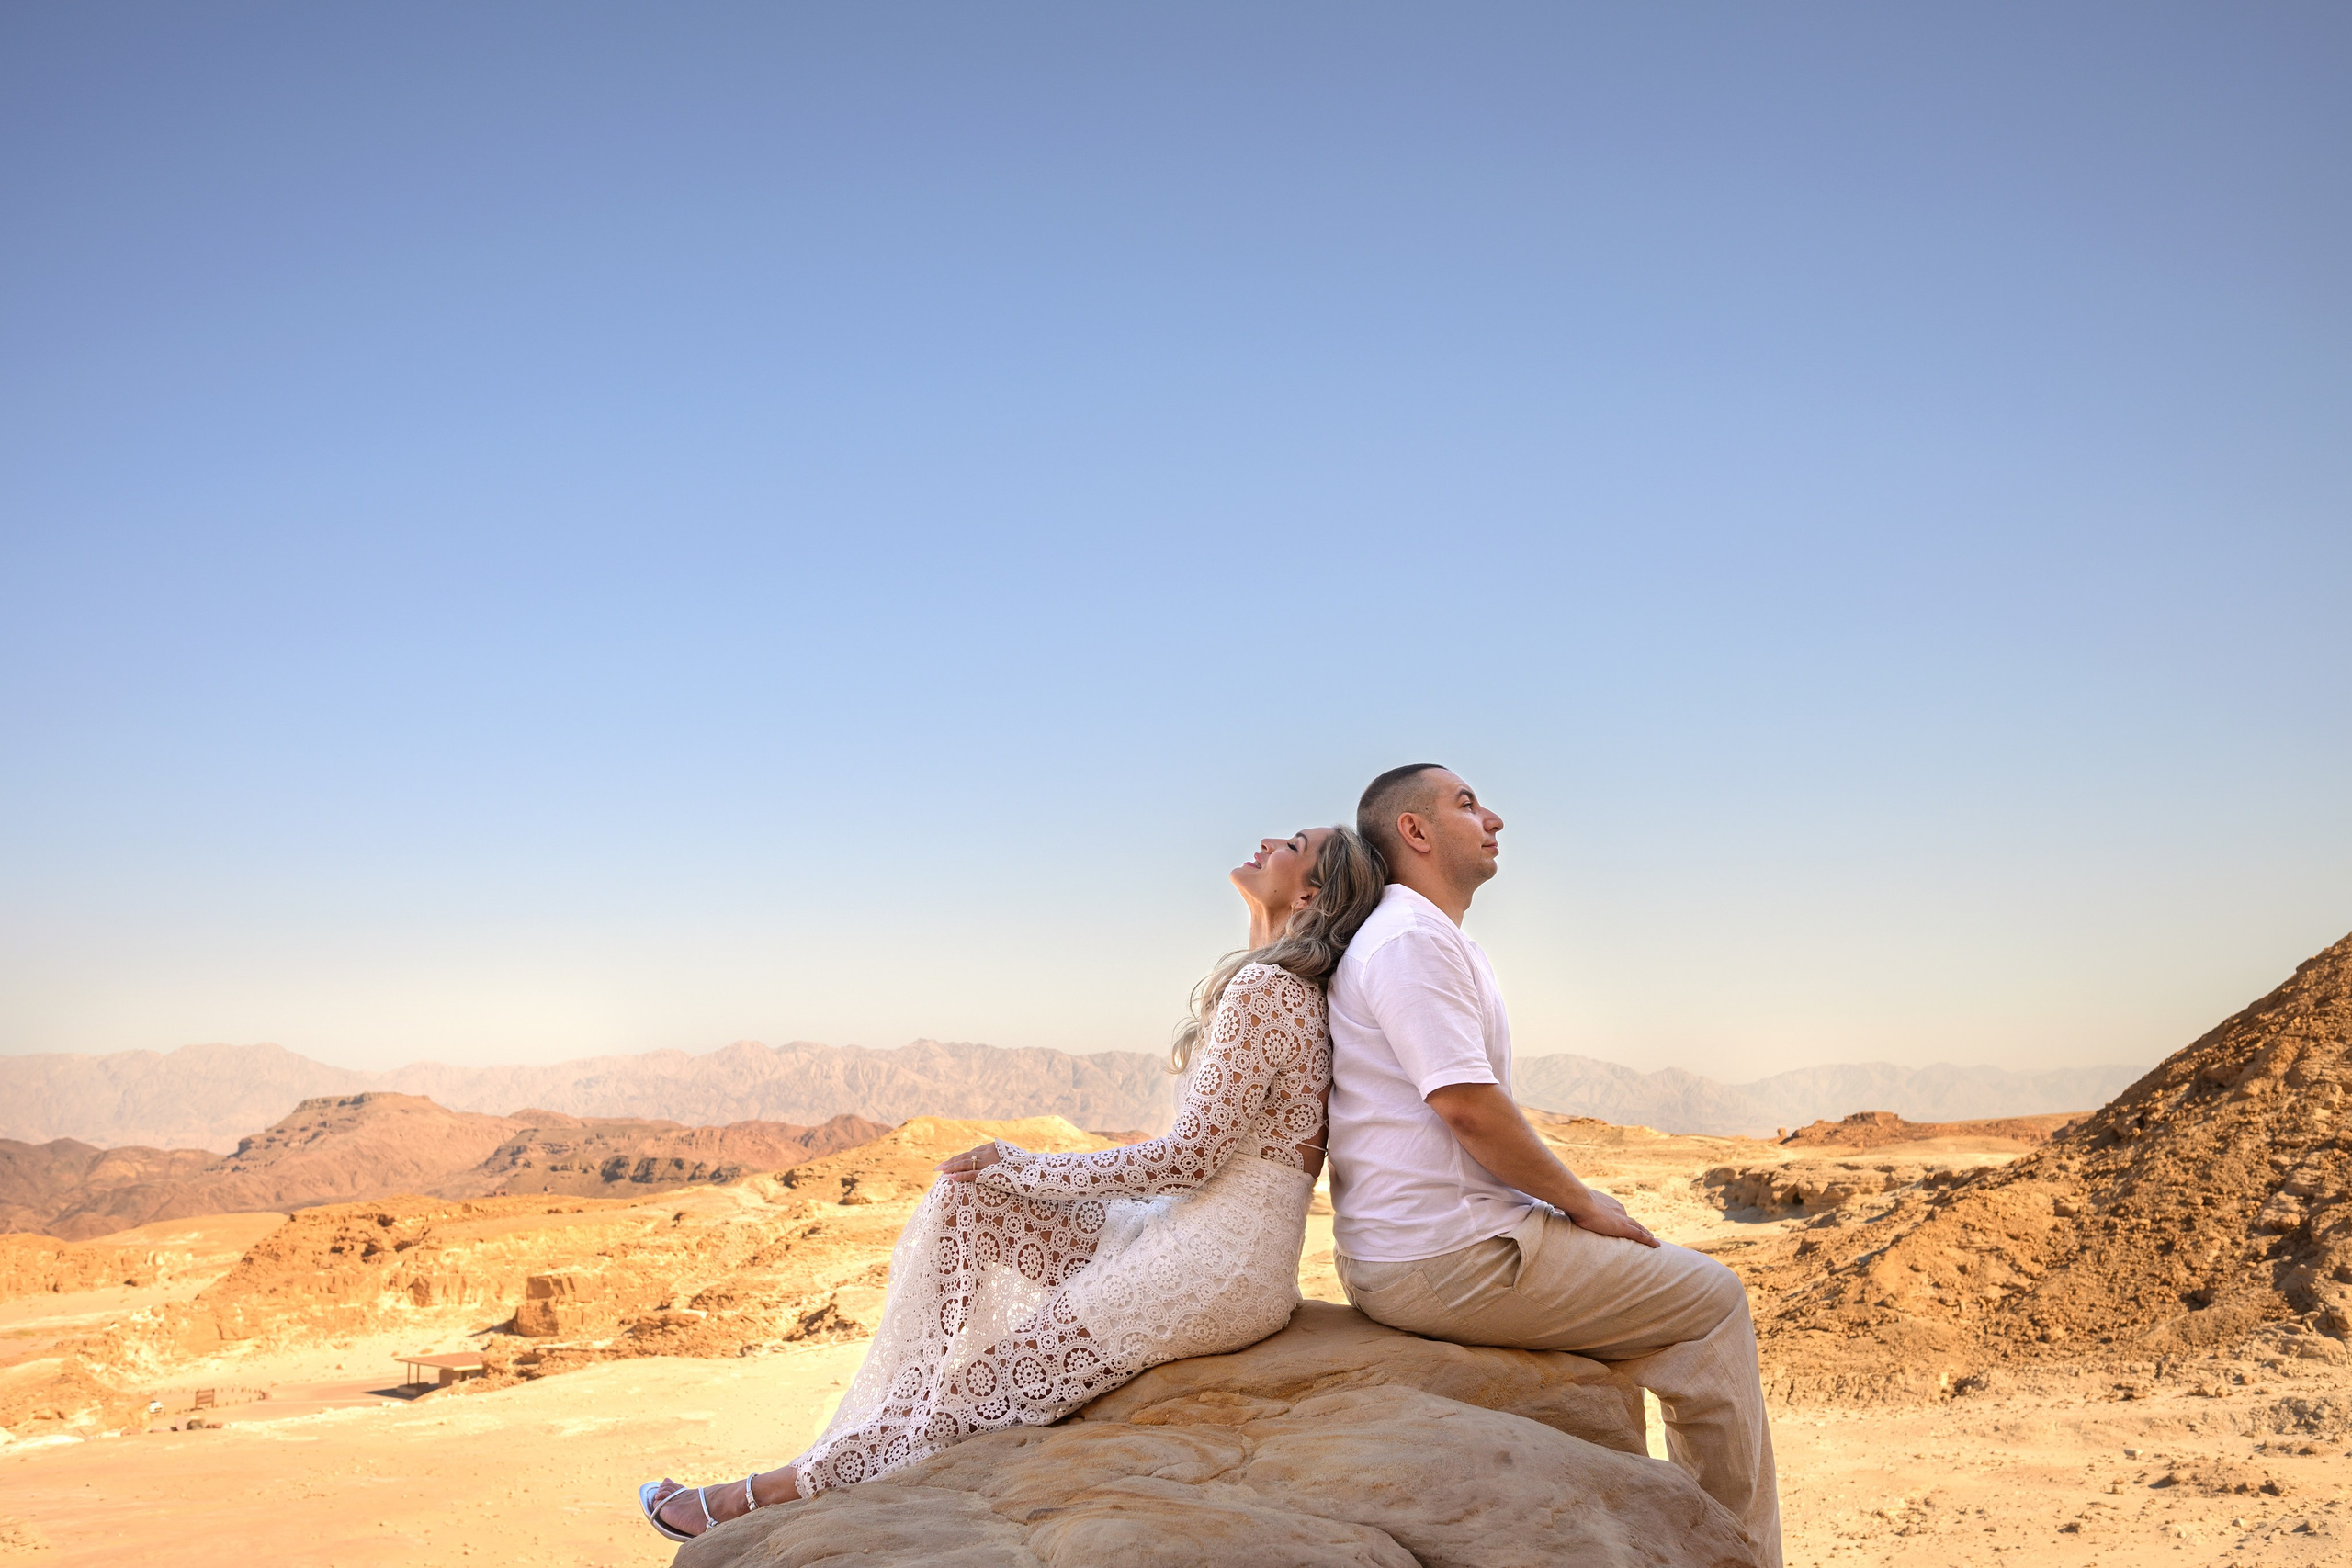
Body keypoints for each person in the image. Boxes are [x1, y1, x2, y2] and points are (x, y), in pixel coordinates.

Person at [638, 824, 1386, 1540]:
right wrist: (1016, 1177)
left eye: (1293, 845)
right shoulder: (1268, 984)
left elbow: (1189, 1159)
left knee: (978, 1387)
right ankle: (882, 1417)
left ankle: (763, 1494)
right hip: (1184, 1234)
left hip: (1212, 1266)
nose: (1268, 842)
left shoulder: (1268, 989)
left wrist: (1026, 1164)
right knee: (971, 1198)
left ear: (1310, 894)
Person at [1325, 764, 1782, 1568]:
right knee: (1713, 1302)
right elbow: (1467, 1105)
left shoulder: (1426, 936)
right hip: (1453, 1254)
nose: (1494, 818)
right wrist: (1581, 1203)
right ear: (1414, 831)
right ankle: (1735, 1553)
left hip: (1434, 1243)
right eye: (1467, 803)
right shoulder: (1409, 941)